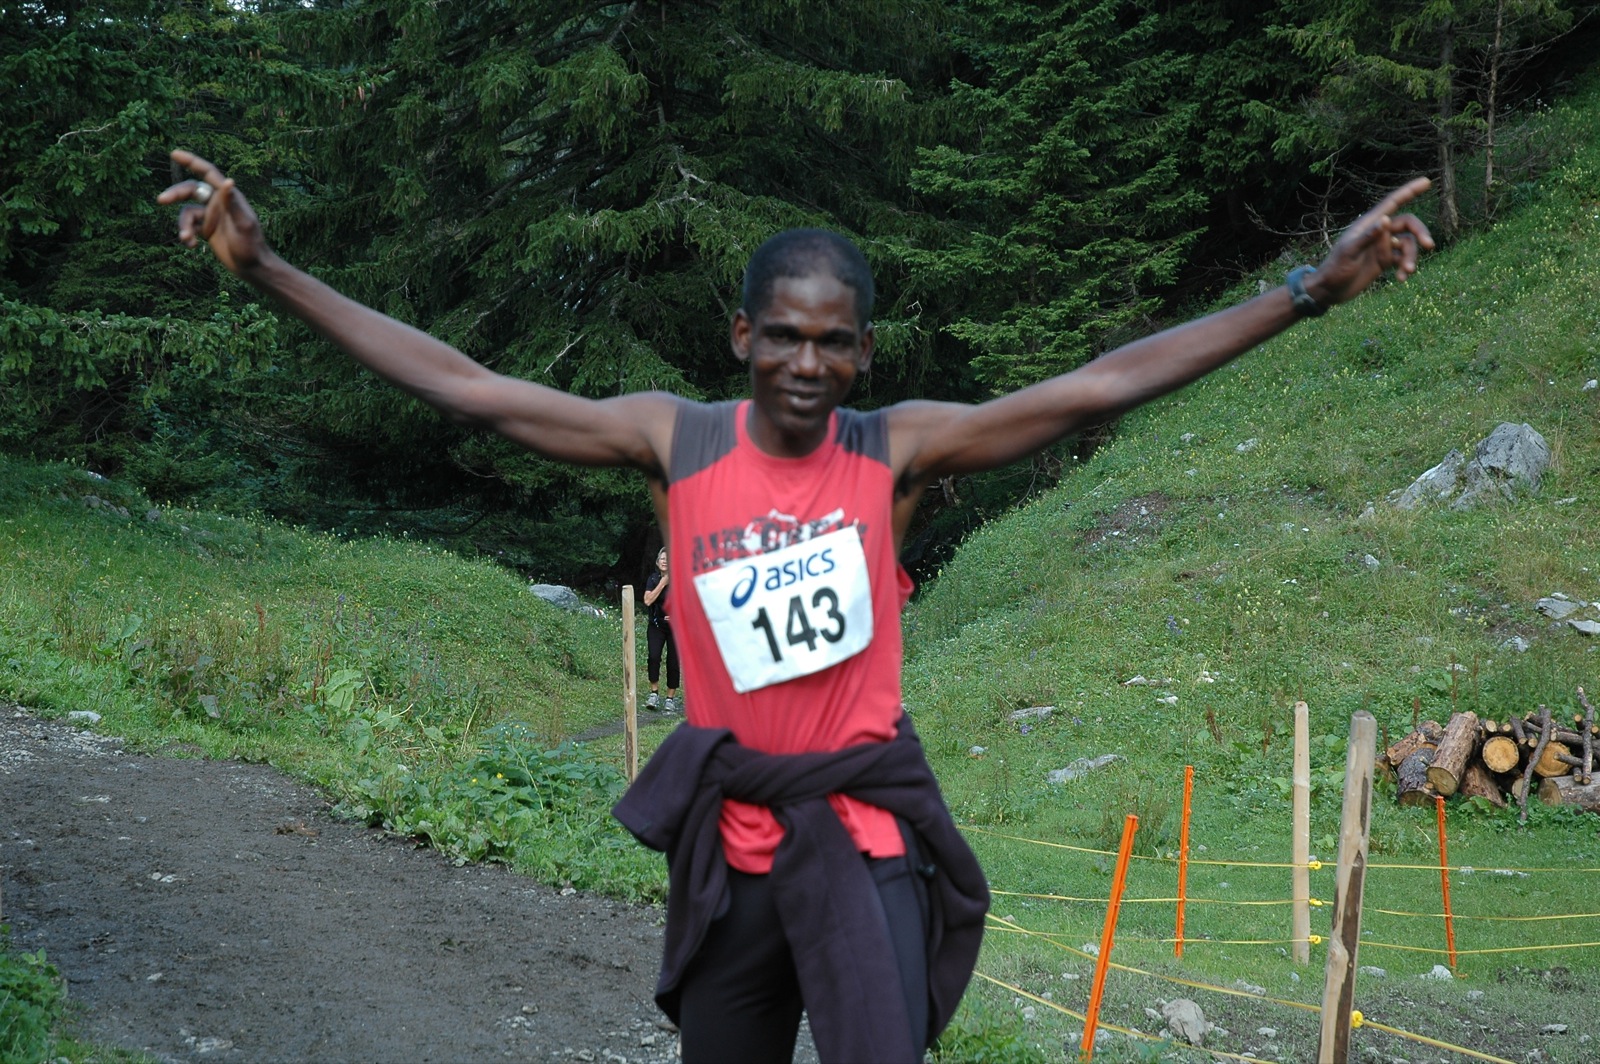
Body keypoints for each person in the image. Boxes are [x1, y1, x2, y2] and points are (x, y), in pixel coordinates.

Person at [159, 151, 1433, 1063]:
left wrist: (1304, 292)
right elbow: (469, 387)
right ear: (742, 335)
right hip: (735, 853)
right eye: (783, 336)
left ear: (864, 349)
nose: (807, 364)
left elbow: (1097, 388)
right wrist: (267, 267)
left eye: (832, 341)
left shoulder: (895, 451)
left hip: (865, 843)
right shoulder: (676, 441)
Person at [642, 547, 679, 712]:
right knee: (654, 657)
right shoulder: (653, 579)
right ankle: (654, 693)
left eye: (668, 559)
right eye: (662, 559)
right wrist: (663, 583)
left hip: (676, 628)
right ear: (658, 562)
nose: (665, 561)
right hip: (656, 625)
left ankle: (670, 698)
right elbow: (648, 600)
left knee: (673, 661)